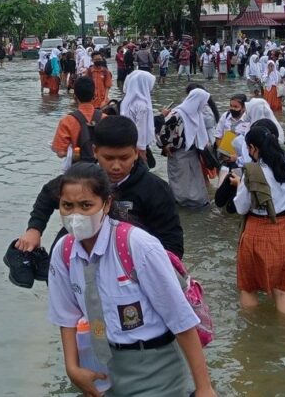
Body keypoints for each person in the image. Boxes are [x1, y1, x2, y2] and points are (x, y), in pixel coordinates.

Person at [47, 164, 215, 397]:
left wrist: (204, 388)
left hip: (156, 370)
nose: (76, 215)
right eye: (68, 206)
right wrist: (73, 368)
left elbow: (181, 319)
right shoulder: (63, 252)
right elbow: (67, 317)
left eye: (86, 206)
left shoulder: (137, 246)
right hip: (102, 367)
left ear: (106, 204)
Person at [16, 115, 185, 259]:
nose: (116, 166)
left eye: (124, 158)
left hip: (131, 267)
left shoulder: (156, 190)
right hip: (79, 259)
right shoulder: (82, 179)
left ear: (135, 152)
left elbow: (172, 244)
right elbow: (47, 195)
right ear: (95, 151)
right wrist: (34, 229)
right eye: (109, 158)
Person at [224, 124, 285, 313]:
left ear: (254, 148)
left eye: (248, 148)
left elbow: (241, 207)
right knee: (282, 289)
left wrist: (240, 185)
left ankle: (252, 334)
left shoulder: (253, 172)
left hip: (257, 233)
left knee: (248, 287)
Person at [158, 88, 212, 209]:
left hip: (192, 153)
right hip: (178, 153)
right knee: (179, 180)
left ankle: (197, 203)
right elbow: (160, 131)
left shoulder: (196, 114)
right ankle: (181, 204)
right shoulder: (176, 114)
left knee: (194, 178)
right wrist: (164, 145)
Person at [52, 77, 101, 166]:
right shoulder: (106, 118)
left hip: (77, 173)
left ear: (75, 96)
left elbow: (60, 153)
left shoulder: (66, 121)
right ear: (94, 95)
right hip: (101, 171)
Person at [120, 70, 157, 164]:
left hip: (126, 142)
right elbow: (141, 130)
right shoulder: (142, 105)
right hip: (137, 148)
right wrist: (142, 152)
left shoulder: (126, 101)